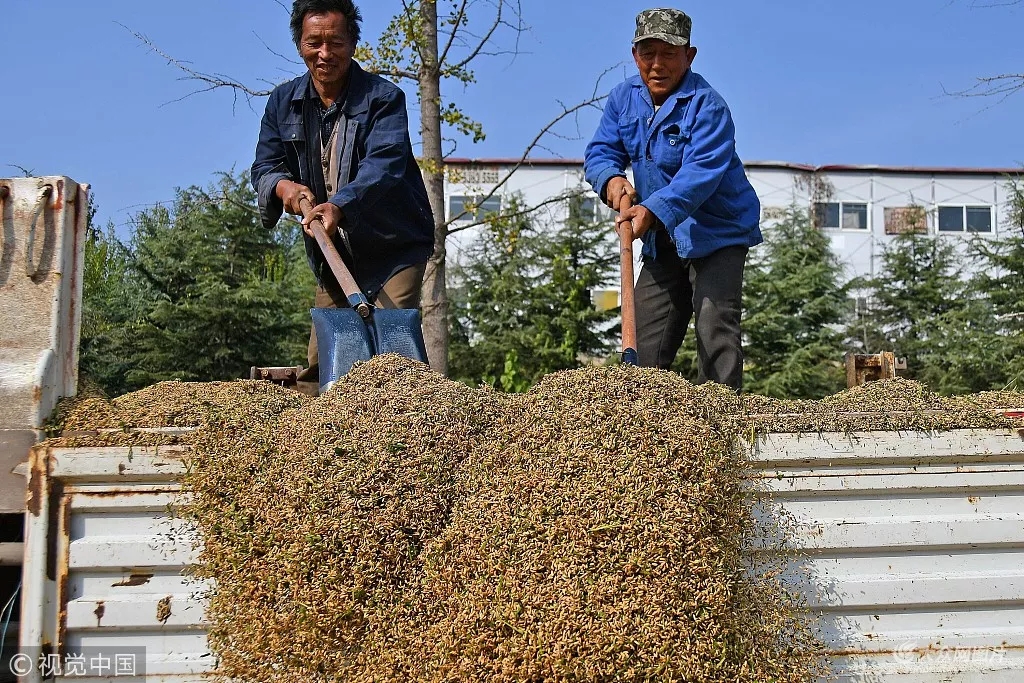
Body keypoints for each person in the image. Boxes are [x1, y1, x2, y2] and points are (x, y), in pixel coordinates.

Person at [252, 0, 434, 380]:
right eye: (313, 43)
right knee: (327, 362)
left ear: (352, 44)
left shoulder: (383, 99)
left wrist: (338, 207)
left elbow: (384, 167)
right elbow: (265, 167)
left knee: (393, 355)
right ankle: (320, 432)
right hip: (332, 253)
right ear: (299, 45)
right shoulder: (282, 103)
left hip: (394, 247)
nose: (324, 54)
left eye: (334, 42)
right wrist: (284, 188)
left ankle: (403, 426)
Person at [584, 8, 761, 391]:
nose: (657, 65)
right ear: (635, 56)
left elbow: (698, 177)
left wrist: (649, 209)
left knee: (715, 330)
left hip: (717, 233)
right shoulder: (623, 98)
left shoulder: (708, 106)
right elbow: (600, 151)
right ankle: (639, 426)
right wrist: (611, 179)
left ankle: (720, 426)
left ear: (689, 56)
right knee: (645, 345)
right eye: (648, 53)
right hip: (662, 237)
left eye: (668, 53)